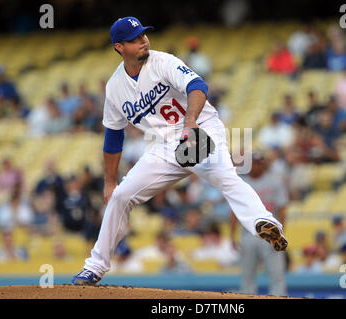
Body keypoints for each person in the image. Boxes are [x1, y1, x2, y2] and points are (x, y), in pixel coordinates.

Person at [72, 17, 288, 285]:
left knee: (223, 176)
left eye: (143, 35)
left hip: (199, 129)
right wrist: (109, 181)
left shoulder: (163, 62)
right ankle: (95, 267)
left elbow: (198, 87)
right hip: (163, 146)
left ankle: (264, 223)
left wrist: (190, 122)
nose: (143, 41)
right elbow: (113, 136)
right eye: (135, 39)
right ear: (119, 47)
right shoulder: (115, 87)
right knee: (120, 196)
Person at [229, 151, 288, 296]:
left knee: (276, 275)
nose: (257, 166)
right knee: (247, 275)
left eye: (259, 162)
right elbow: (234, 211)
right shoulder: (240, 183)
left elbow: (282, 209)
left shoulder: (274, 182)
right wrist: (232, 236)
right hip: (248, 234)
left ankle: (278, 297)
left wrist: (280, 234)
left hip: (270, 235)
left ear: (264, 164)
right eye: (254, 163)